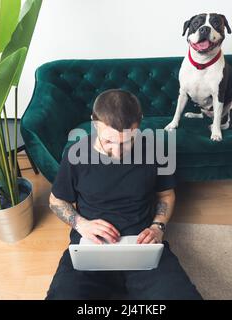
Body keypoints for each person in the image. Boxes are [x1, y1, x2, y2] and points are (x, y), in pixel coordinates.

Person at [46, 89, 202, 300]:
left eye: (127, 142)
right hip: (92, 249)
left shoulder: (156, 151)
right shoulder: (75, 155)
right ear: (95, 123)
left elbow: (166, 195)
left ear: (139, 124)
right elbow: (56, 200)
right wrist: (81, 224)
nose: (118, 153)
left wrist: (158, 227)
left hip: (142, 247)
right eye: (109, 141)